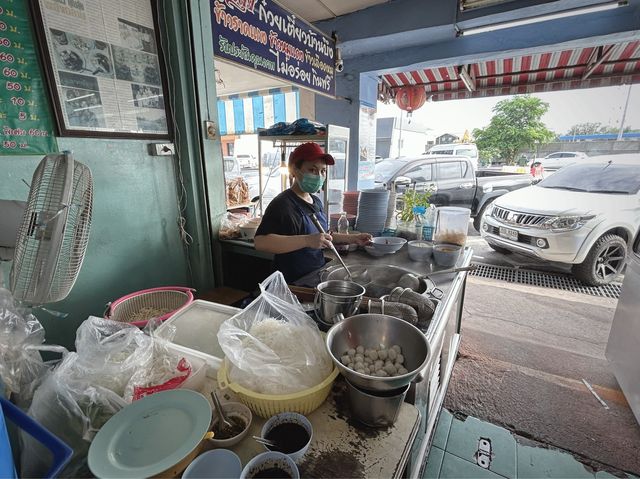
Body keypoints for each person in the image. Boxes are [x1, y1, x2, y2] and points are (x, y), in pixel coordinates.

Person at [254, 142, 372, 282]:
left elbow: (324, 235)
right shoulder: (282, 204)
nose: (319, 176)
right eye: (312, 170)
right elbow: (261, 242)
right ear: (295, 170)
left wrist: (354, 238)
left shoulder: (316, 201)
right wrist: (306, 240)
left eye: (323, 171)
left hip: (316, 274)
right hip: (292, 282)